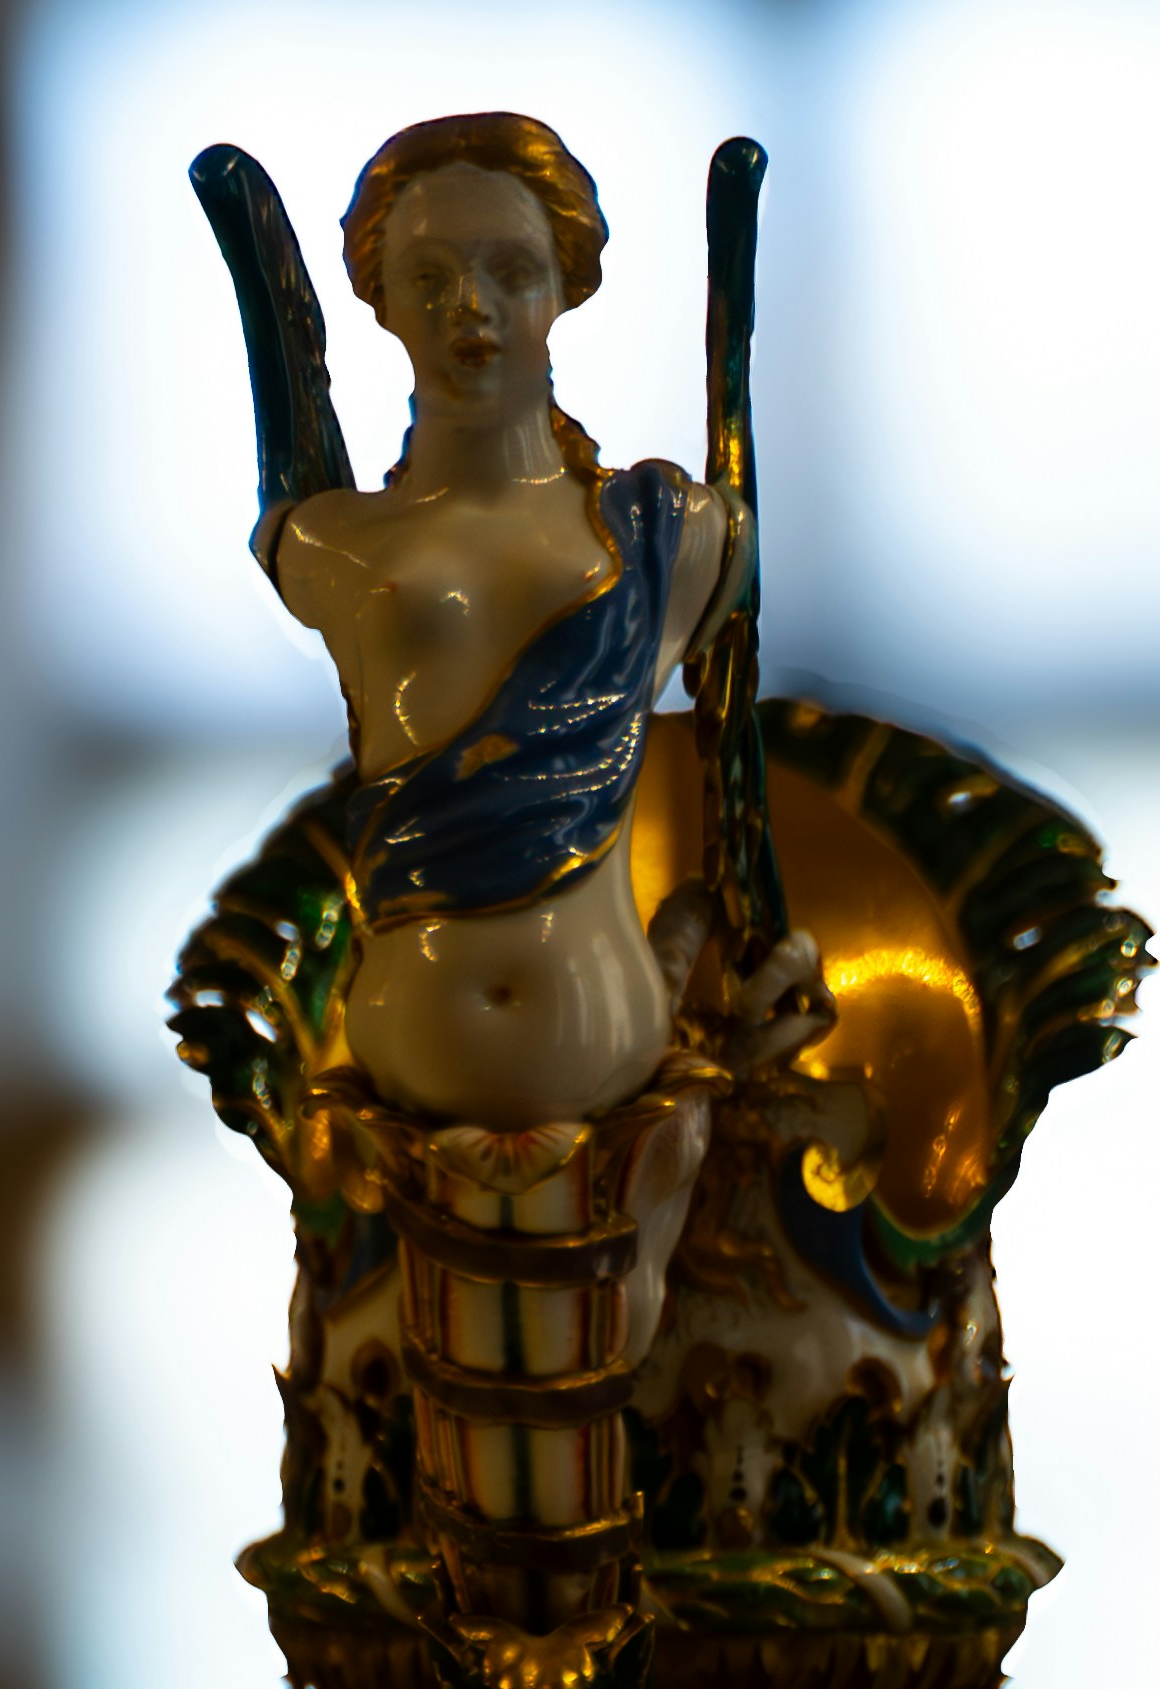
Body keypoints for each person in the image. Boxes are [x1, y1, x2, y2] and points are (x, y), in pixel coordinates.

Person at [259, 115, 733, 1123]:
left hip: (617, 1085)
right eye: (428, 278)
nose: (470, 306)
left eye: (511, 270)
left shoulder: (668, 534)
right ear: (381, 301)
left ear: (566, 285)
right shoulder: (332, 544)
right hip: (400, 1100)